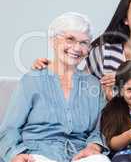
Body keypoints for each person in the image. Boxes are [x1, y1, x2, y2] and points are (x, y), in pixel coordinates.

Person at [0, 12, 110, 162]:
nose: (77, 48)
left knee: (101, 160)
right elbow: (10, 129)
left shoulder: (93, 84)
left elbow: (100, 129)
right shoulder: (32, 80)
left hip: (78, 155)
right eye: (70, 39)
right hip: (38, 154)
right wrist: (15, 154)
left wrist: (94, 147)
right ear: (53, 41)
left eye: (83, 42)